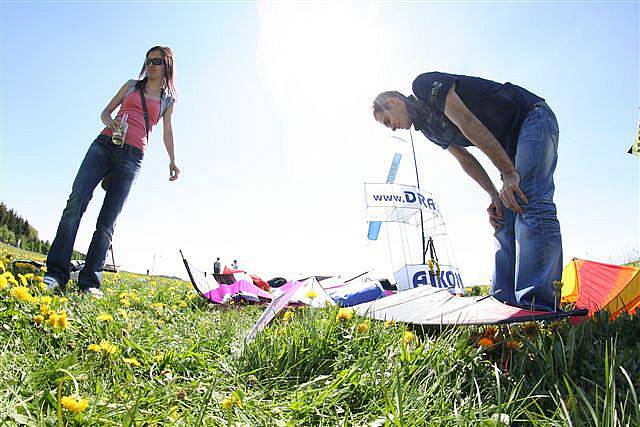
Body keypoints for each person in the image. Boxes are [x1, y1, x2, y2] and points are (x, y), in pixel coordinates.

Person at [372, 72, 561, 311]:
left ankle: (540, 305)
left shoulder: (424, 86)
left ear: (395, 102)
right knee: (504, 215)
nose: (393, 129)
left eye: (388, 121)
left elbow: (467, 122)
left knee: (528, 201)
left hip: (531, 118)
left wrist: (509, 173)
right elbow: (465, 159)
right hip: (509, 146)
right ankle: (504, 303)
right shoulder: (428, 130)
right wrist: (494, 196)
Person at [43, 46, 180, 298]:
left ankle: (89, 283)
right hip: (104, 145)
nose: (151, 65)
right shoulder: (130, 86)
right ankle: (55, 273)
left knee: (107, 222)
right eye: (148, 60)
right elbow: (105, 112)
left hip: (132, 156)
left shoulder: (167, 101)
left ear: (167, 65)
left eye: (157, 61)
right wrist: (112, 122)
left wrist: (172, 160)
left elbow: (167, 131)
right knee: (75, 203)